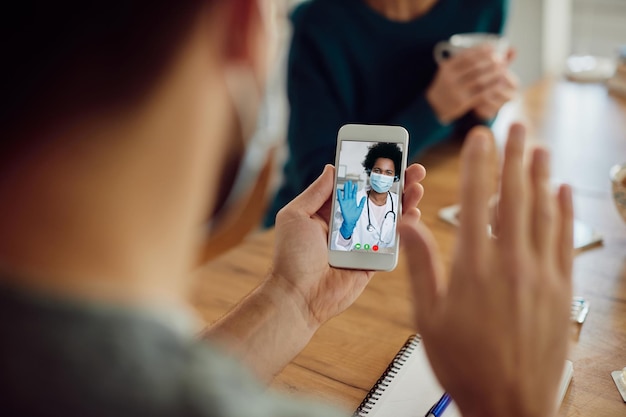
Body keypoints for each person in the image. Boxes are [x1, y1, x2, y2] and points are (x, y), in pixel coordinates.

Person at [0, 1, 573, 417]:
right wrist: (514, 407)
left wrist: (291, 300)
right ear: (245, 27)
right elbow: (321, 167)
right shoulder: (322, 24)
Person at [265, 0, 518, 226]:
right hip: (316, 225)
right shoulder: (320, 24)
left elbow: (465, 129)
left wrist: (485, 107)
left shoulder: (485, 6)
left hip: (429, 203)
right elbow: (319, 182)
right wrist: (433, 110)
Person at [332, 142, 402, 251]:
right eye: (377, 171)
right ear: (370, 171)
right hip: (354, 262)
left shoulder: (399, 203)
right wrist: (346, 230)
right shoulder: (352, 202)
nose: (382, 176)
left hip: (387, 264)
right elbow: (337, 248)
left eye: (388, 172)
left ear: (395, 176)